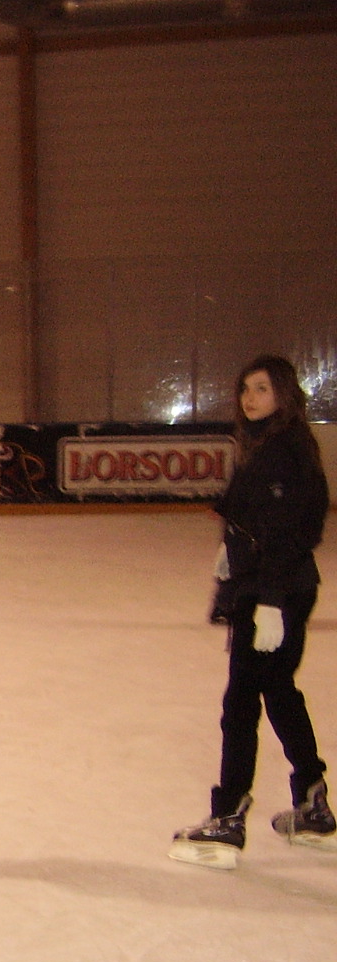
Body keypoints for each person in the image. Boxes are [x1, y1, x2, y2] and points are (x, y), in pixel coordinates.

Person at [170, 354, 331, 868]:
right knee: (279, 692)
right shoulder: (277, 445)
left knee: (241, 703)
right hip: (276, 585)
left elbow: (289, 532)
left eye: (261, 388)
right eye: (245, 389)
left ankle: (228, 820)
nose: (250, 398)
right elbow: (260, 519)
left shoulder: (281, 453)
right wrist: (232, 550)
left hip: (272, 591)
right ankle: (313, 803)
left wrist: (270, 602)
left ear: (284, 393)